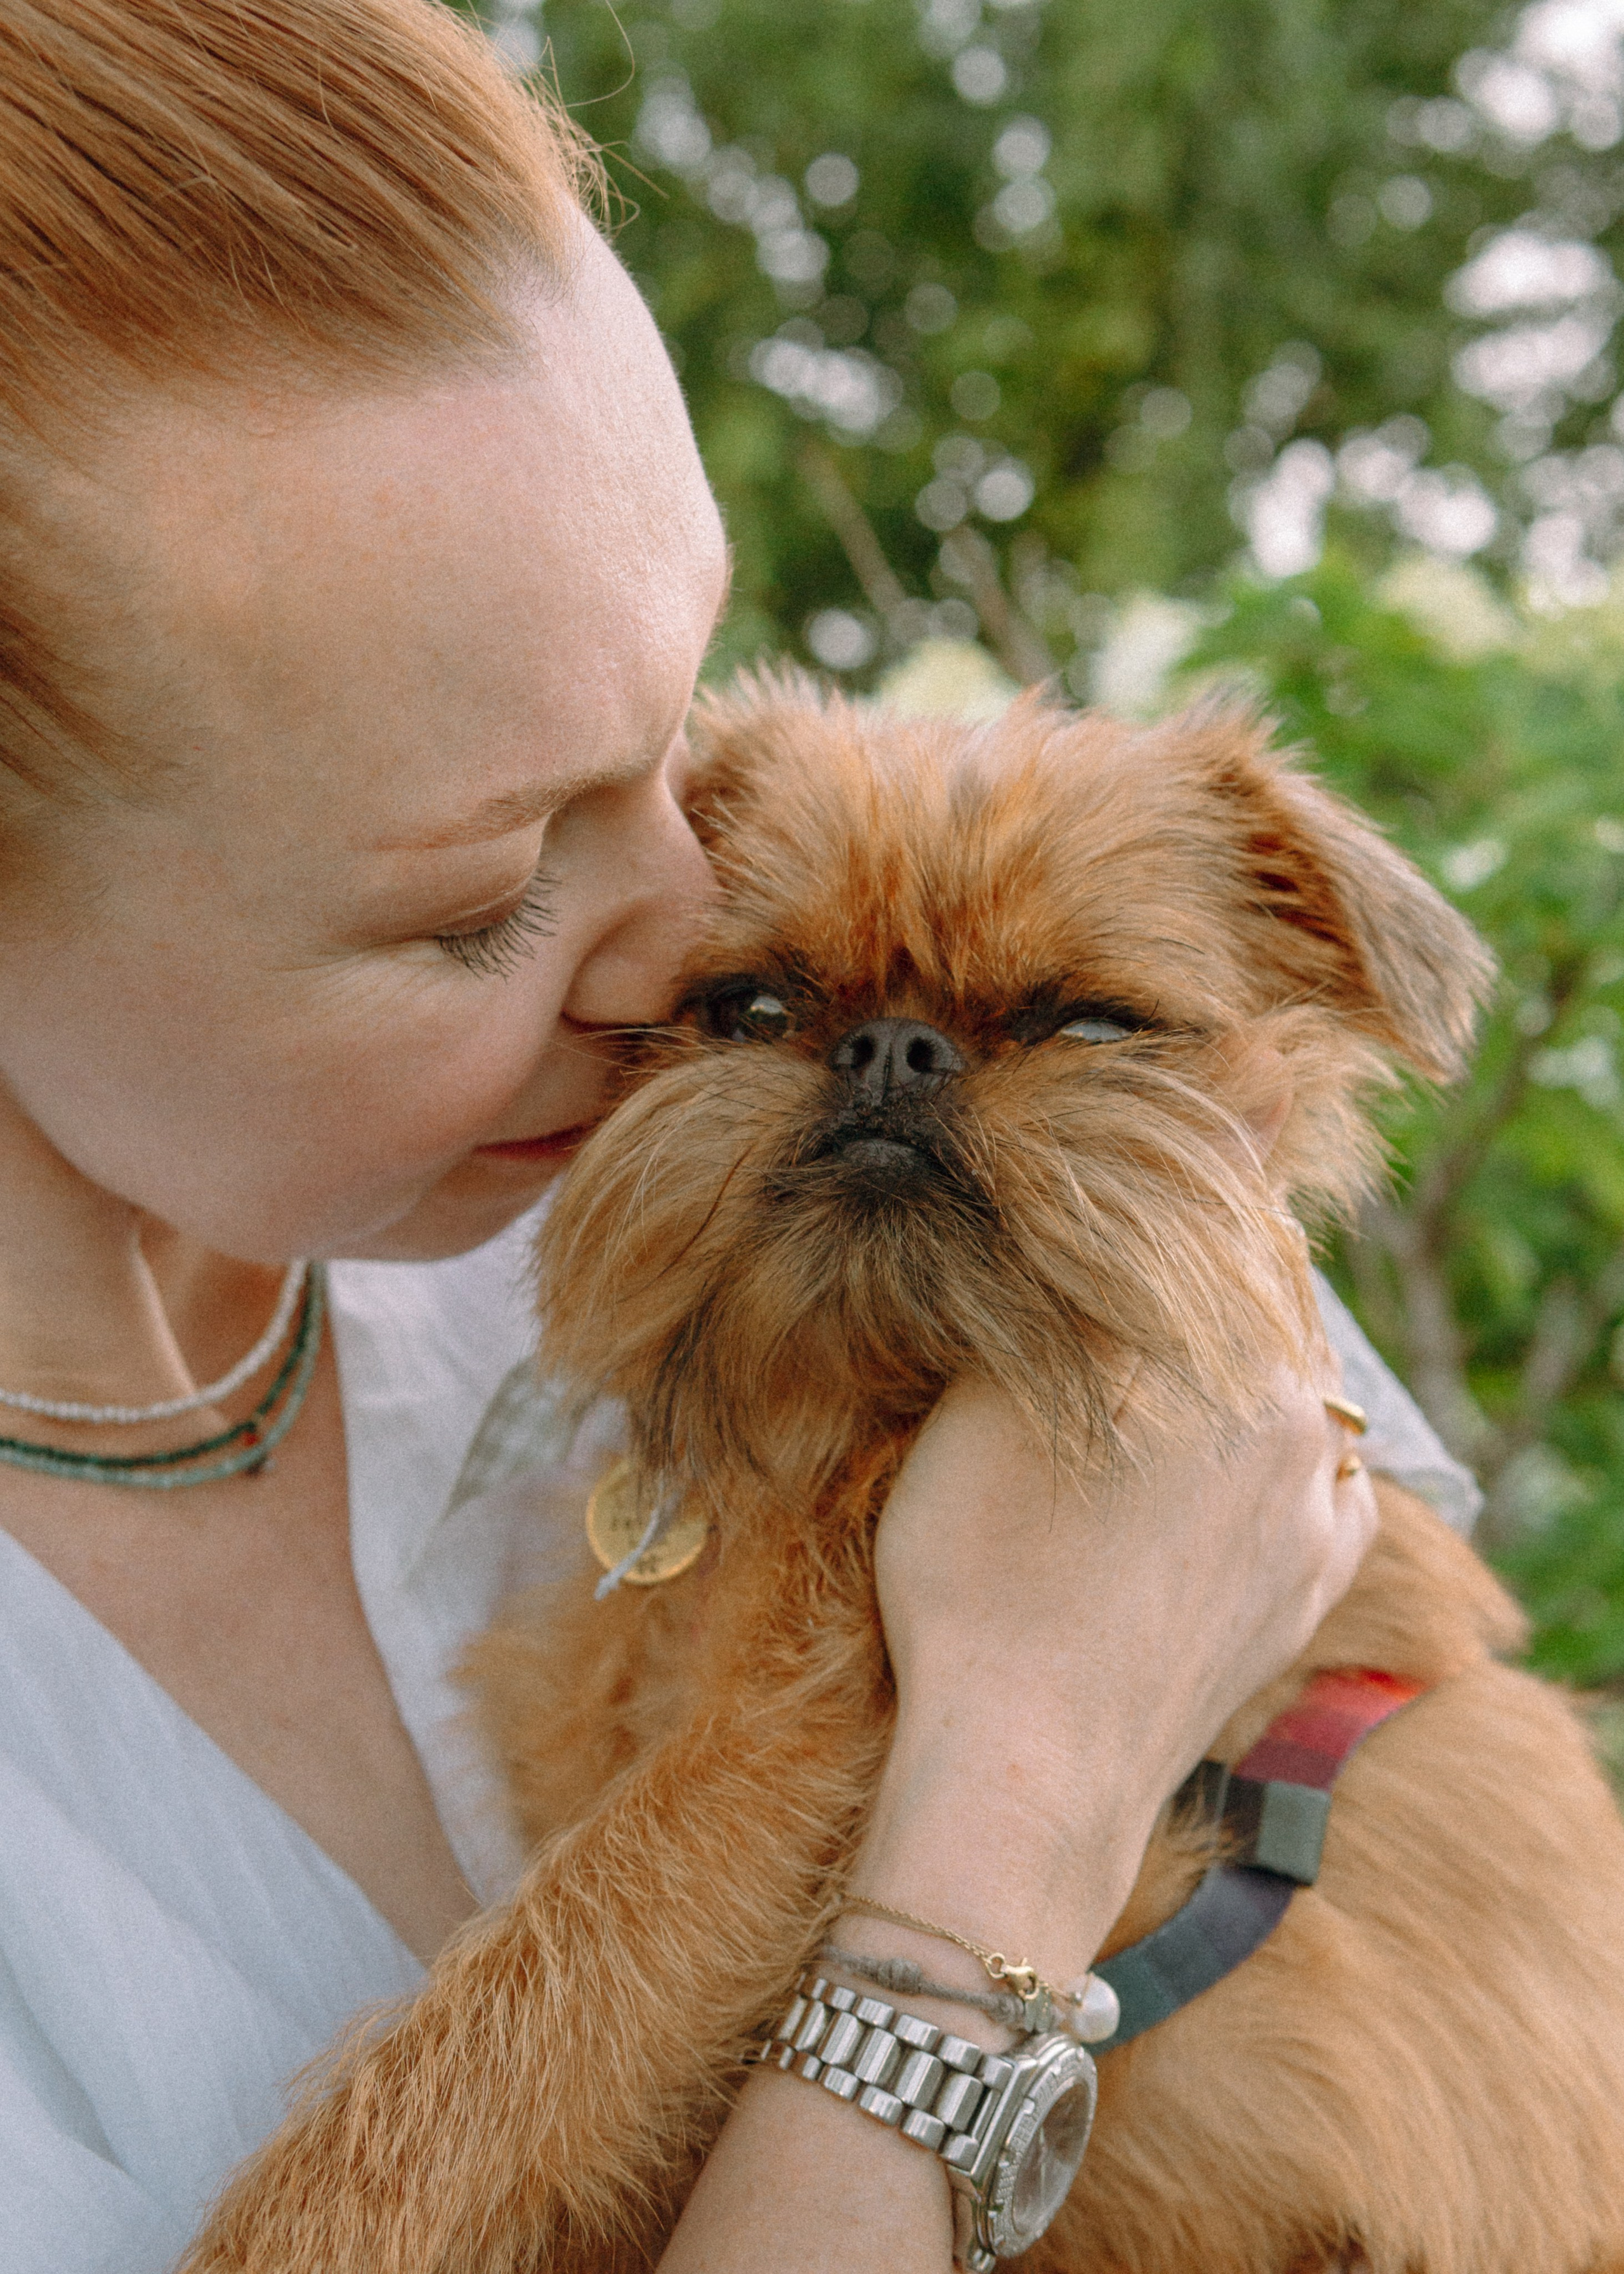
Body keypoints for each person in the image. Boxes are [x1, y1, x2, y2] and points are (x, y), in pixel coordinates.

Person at [0, 4, 1478, 2269]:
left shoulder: (655, 1157)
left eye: (684, 728)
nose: (698, 921)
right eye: (487, 896)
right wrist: (1005, 1817)